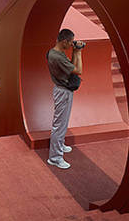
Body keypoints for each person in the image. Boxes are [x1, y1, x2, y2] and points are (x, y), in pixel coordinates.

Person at [46, 28, 84, 169]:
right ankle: (55, 158)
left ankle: (59, 145)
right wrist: (79, 53)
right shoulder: (57, 57)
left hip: (63, 90)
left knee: (62, 123)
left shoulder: (56, 52)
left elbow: (71, 68)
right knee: (59, 125)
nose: (71, 45)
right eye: (70, 43)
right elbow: (78, 70)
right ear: (64, 41)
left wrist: (74, 52)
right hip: (63, 92)